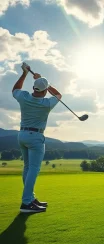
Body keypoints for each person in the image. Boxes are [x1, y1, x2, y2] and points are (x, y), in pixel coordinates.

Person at [12, 62, 62, 213]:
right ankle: (26, 202)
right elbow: (58, 95)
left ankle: (31, 198)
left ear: (34, 88)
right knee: (33, 169)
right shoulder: (47, 103)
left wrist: (25, 74)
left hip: (22, 135)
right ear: (45, 91)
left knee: (27, 168)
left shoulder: (24, 97)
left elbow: (15, 89)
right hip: (36, 137)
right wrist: (43, 80)